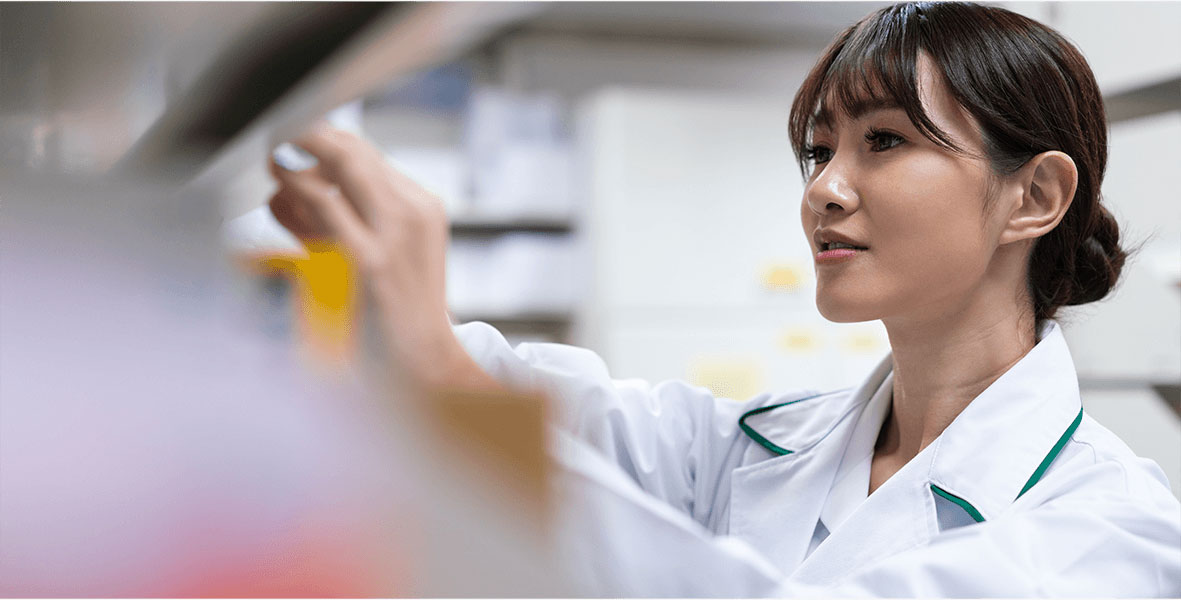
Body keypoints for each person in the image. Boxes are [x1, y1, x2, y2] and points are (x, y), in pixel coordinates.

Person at [267, 2, 1181, 596]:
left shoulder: (1112, 537)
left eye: (888, 141)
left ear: (1034, 197)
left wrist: (434, 366)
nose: (825, 188)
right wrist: (394, 325)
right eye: (820, 150)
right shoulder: (760, 447)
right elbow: (557, 410)